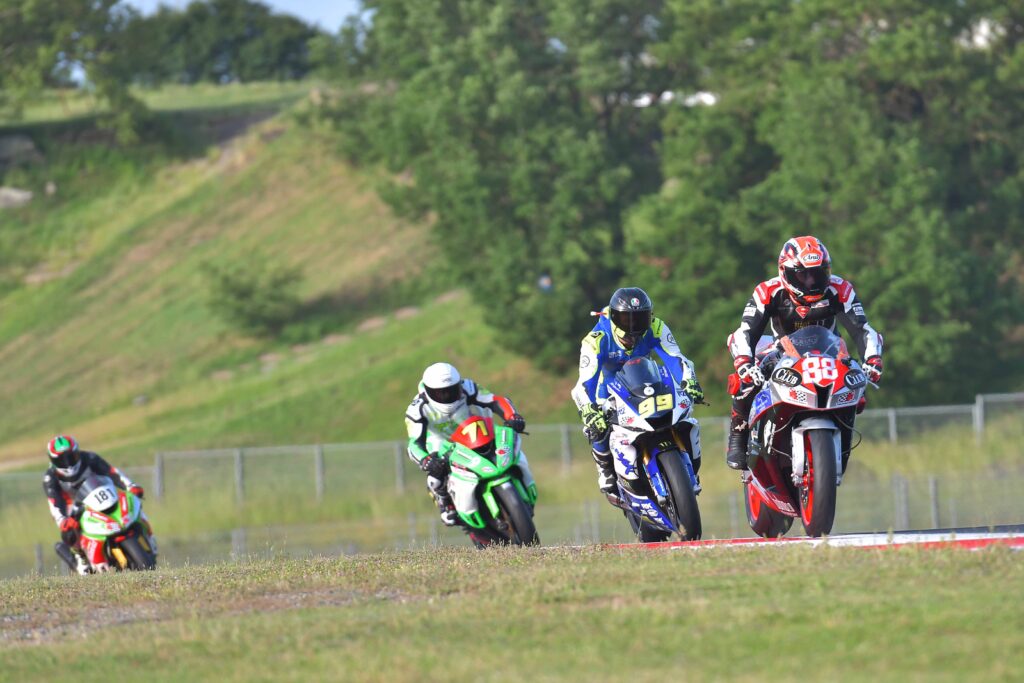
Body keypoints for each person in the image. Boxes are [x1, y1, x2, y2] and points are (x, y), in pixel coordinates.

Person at [725, 236, 884, 471]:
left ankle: (842, 442)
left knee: (856, 386)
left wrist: (872, 360)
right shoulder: (767, 291)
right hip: (782, 352)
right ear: (785, 272)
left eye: (817, 274)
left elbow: (863, 329)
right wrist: (744, 363)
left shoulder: (840, 289)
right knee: (747, 378)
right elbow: (745, 332)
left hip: (830, 353)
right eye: (802, 275)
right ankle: (738, 434)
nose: (810, 282)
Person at [571, 287, 705, 503]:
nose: (633, 328)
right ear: (614, 318)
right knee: (595, 427)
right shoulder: (596, 338)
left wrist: (689, 380)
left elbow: (675, 357)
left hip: (645, 380)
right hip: (608, 388)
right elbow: (585, 382)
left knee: (682, 412)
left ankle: (688, 466)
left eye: (640, 319)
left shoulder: (656, 326)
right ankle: (605, 469)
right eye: (626, 320)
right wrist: (589, 408)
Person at [404, 362, 534, 534]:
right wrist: (426, 459)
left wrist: (512, 416)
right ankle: (445, 504)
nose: (446, 396)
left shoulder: (469, 388)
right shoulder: (417, 409)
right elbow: (414, 444)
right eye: (440, 393)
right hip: (443, 443)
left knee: (509, 445)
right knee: (435, 476)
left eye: (451, 390)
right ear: (428, 391)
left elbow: (496, 401)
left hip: (477, 431)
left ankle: (523, 484)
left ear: (459, 384)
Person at [43, 435, 153, 574]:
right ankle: (80, 557)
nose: (68, 463)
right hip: (73, 506)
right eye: (61, 460)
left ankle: (148, 535)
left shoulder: (89, 458)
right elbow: (54, 503)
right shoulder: (50, 477)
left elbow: (112, 473)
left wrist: (130, 486)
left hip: (99, 494)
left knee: (130, 501)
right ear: (53, 461)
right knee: (69, 532)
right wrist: (63, 520)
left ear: (77, 452)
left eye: (71, 457)